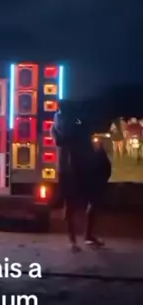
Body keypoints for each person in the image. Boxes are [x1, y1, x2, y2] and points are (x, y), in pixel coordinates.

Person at [52, 101, 109, 251]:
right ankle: (75, 240)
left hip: (80, 168)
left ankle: (84, 237)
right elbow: (63, 139)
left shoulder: (74, 123)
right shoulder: (63, 126)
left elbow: (88, 137)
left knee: (90, 202)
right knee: (73, 205)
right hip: (71, 169)